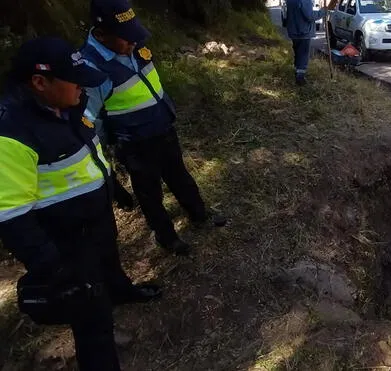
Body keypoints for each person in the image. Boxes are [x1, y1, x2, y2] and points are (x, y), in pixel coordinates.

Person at [0, 37, 161, 371]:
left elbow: (88, 150)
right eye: (73, 79)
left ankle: (121, 290)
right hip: (67, 243)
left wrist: (112, 186)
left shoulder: (69, 103)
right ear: (40, 82)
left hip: (96, 220)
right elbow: (11, 216)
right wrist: (53, 266)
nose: (82, 86)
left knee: (110, 266)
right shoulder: (11, 133)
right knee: (92, 322)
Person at [82, 0, 227, 256]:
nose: (133, 43)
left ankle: (199, 214)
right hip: (134, 142)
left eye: (134, 36)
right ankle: (167, 236)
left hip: (162, 127)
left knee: (180, 176)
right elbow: (92, 121)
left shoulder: (133, 45)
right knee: (149, 192)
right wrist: (108, 167)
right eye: (125, 39)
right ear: (102, 35)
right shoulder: (90, 69)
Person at [286, 0, 338, 85]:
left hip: (294, 30)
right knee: (303, 55)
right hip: (303, 32)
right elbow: (310, 16)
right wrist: (323, 11)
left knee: (298, 53)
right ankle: (300, 77)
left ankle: (297, 72)